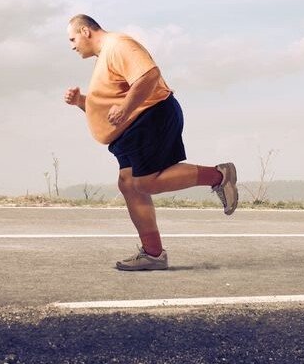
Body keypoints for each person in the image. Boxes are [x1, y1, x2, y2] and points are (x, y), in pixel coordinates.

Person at [63, 14, 238, 271]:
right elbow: (112, 103)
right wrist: (81, 102)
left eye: (72, 39)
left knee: (144, 183)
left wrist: (126, 107)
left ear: (85, 31)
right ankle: (153, 254)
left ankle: (219, 175)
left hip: (150, 117)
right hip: (131, 127)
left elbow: (149, 76)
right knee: (129, 185)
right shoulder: (104, 58)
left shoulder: (118, 45)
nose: (72, 46)